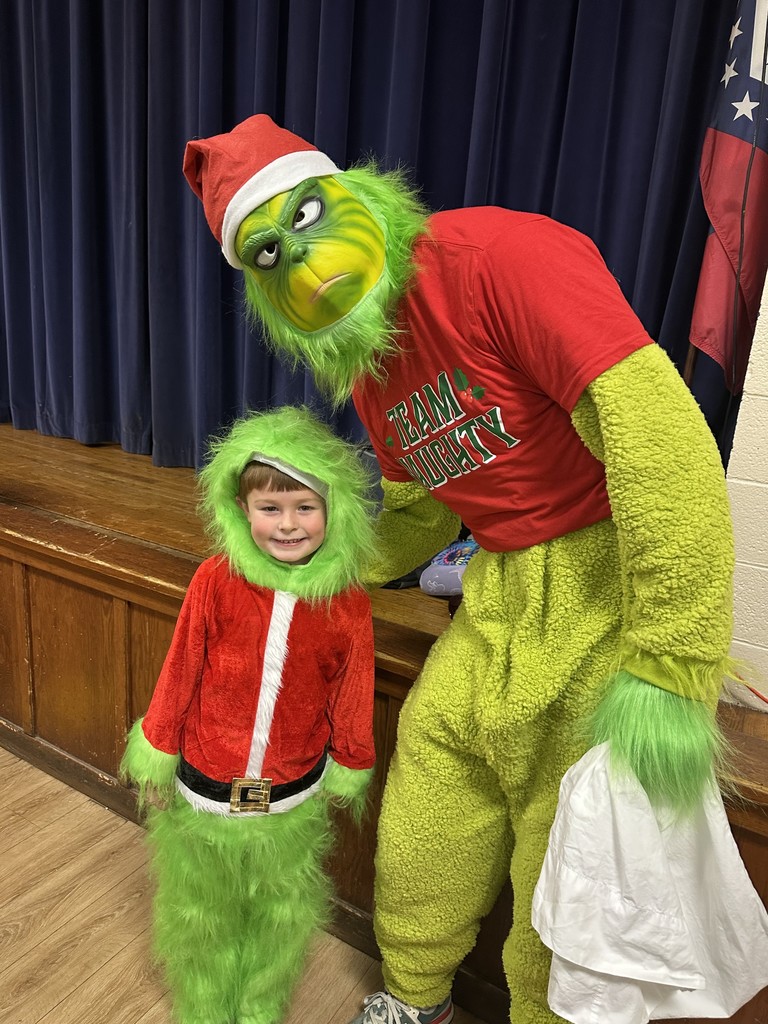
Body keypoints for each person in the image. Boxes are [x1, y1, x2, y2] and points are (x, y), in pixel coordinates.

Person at [180, 115, 763, 1024]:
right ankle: (415, 997)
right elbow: (421, 504)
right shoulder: (368, 361)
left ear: (354, 192)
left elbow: (661, 443)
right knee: (428, 795)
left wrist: (672, 662)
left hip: (609, 589)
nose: (302, 259)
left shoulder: (500, 257)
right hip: (497, 601)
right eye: (265, 255)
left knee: (562, 853)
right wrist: (336, 562)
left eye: (306, 215)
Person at [120, 405, 377, 1024]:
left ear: (332, 509)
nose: (288, 524)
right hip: (205, 787)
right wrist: (157, 752)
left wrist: (351, 760)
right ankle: (205, 1009)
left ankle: (260, 1008)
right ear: (242, 511)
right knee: (201, 912)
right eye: (270, 508)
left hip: (289, 796)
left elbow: (352, 691)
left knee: (278, 918)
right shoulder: (216, 580)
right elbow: (180, 668)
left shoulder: (347, 603)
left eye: (305, 507)